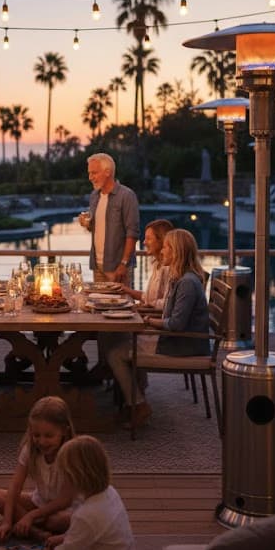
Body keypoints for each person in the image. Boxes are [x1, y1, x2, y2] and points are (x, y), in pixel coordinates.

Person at [14, 435, 135, 550]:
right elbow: (91, 534)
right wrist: (64, 538)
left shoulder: (87, 515)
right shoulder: (110, 492)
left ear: (75, 476)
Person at [100, 218, 175, 429]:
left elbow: (166, 305)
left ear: (161, 242)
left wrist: (141, 311)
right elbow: (152, 298)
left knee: (115, 352)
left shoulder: (169, 270)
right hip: (155, 324)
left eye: (149, 238)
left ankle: (138, 403)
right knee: (116, 337)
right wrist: (127, 292)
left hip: (164, 335)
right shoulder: (160, 266)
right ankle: (131, 391)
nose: (144, 241)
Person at [0, 396, 77, 542]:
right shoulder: (30, 449)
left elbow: (64, 500)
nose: (41, 441)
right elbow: (15, 487)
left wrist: (31, 515)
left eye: (49, 436)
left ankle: (27, 524)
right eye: (36, 435)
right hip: (40, 502)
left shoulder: (72, 454)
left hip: (65, 508)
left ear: (64, 431)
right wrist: (6, 521)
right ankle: (34, 530)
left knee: (61, 520)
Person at [78, 152, 140, 285]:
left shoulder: (127, 196)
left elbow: (132, 233)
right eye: (89, 173)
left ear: (107, 172)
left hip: (118, 267)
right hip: (97, 266)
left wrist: (124, 264)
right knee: (99, 304)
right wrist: (87, 224)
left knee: (122, 304)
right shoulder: (94, 196)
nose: (90, 177)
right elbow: (99, 227)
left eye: (94, 173)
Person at [146, 228, 210, 356]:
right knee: (122, 346)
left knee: (117, 352)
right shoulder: (181, 278)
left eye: (164, 247)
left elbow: (176, 324)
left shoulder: (187, 283)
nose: (162, 252)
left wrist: (149, 321)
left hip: (181, 347)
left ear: (176, 252)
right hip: (180, 342)